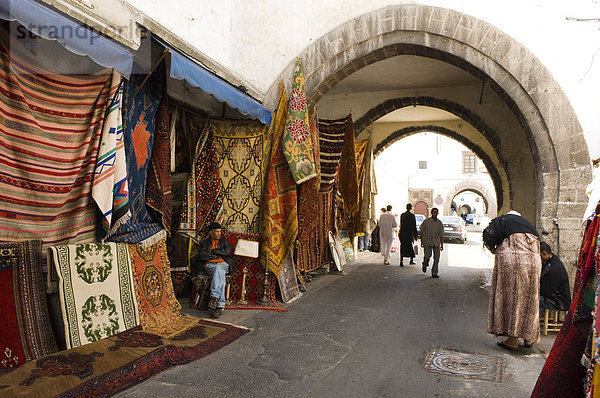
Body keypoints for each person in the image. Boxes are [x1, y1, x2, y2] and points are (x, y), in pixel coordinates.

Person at [485, 210, 541, 351]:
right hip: (534, 261)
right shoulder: (528, 226)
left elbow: (489, 236)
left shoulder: (503, 220)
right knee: (529, 298)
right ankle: (529, 338)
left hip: (511, 260)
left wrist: (493, 249)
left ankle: (512, 340)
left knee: (511, 297)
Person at [190, 222, 235, 318]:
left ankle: (214, 297)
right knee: (220, 275)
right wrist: (218, 255)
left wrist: (213, 251)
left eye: (220, 231)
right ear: (211, 232)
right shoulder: (205, 243)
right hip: (210, 265)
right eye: (216, 232)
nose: (219, 234)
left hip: (223, 264)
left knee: (219, 269)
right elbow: (202, 255)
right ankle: (219, 305)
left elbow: (227, 252)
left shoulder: (224, 241)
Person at [539, 242, 571, 311]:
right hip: (552, 295)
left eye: (539, 255)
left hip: (559, 302)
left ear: (544, 253)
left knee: (529, 301)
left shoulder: (553, 269)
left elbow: (544, 291)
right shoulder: (552, 259)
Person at [419, 207, 444, 278]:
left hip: (436, 243)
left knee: (436, 258)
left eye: (436, 212)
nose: (435, 214)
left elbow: (441, 234)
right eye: (434, 212)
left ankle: (434, 273)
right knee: (427, 256)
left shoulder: (439, 223)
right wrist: (422, 241)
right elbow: (422, 231)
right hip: (427, 242)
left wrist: (442, 244)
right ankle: (425, 263)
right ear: (431, 213)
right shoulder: (426, 221)